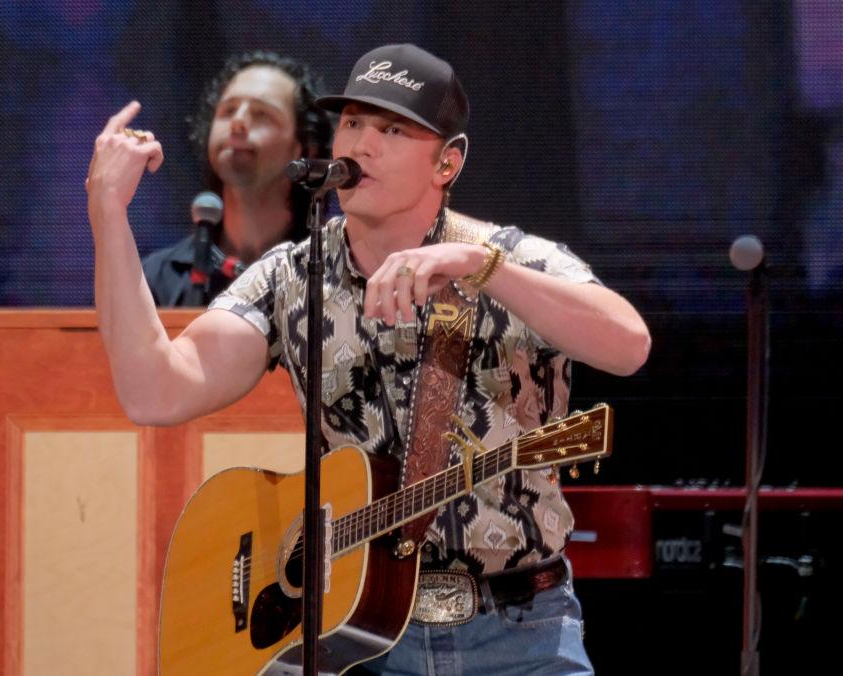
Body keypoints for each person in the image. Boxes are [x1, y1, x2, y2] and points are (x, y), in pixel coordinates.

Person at [87, 43, 651, 675]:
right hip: (354, 635)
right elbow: (155, 391)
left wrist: (482, 269)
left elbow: (629, 345)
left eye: (392, 129)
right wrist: (109, 215)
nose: (364, 143)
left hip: (519, 633)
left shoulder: (511, 260)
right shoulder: (291, 277)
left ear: (448, 162)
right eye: (353, 122)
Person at [140, 51, 332, 305]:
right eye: (228, 110)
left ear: (306, 147)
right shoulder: (156, 278)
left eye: (262, 114)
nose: (238, 122)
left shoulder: (333, 271)